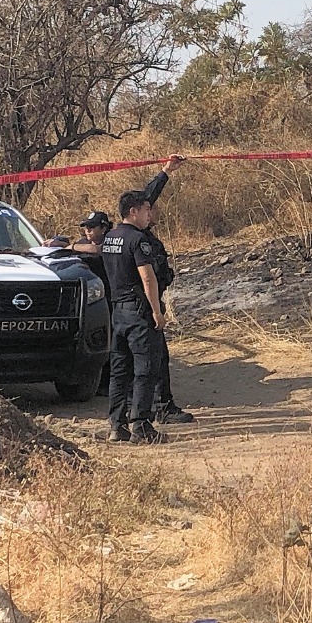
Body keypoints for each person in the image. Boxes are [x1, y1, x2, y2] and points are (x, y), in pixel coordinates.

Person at [101, 191, 167, 444]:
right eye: (147, 209)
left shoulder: (110, 237)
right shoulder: (138, 239)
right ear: (133, 212)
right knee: (145, 369)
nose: (150, 215)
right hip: (138, 312)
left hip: (117, 312)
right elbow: (147, 277)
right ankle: (141, 424)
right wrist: (156, 312)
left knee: (119, 372)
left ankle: (117, 426)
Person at [137, 157, 194, 424]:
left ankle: (138, 413)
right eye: (149, 209)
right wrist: (165, 172)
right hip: (146, 305)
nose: (154, 211)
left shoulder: (122, 234)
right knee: (154, 358)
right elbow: (146, 197)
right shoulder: (137, 237)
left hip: (133, 306)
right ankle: (159, 409)